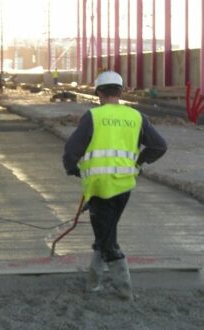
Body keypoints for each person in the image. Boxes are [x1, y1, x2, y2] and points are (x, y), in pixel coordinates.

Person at [63, 71, 167, 300]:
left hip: (100, 187)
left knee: (108, 240)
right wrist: (138, 163)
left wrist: (73, 169)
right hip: (124, 186)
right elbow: (159, 146)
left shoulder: (94, 116)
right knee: (106, 232)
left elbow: (72, 150)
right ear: (120, 92)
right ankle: (93, 282)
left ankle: (125, 288)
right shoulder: (136, 117)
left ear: (99, 92)